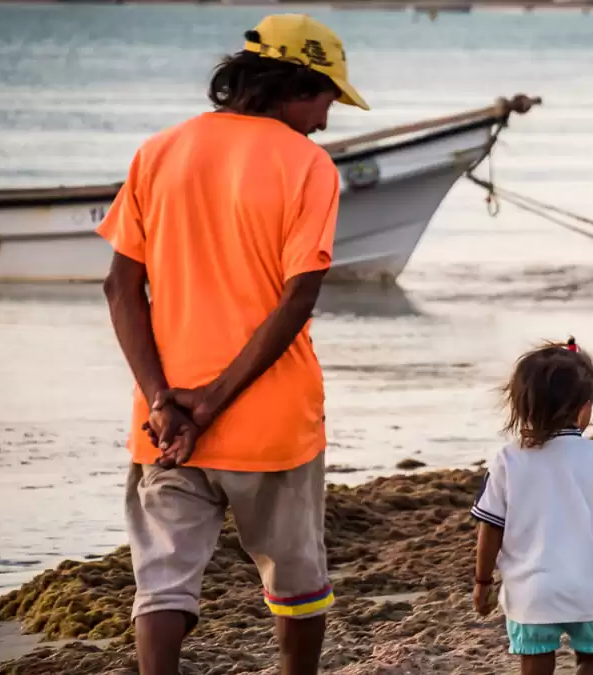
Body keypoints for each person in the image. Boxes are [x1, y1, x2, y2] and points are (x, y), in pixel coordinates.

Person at [99, 13, 368, 675]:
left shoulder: (157, 151)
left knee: (162, 580)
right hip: (271, 421)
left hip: (166, 423)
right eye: (327, 99)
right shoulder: (308, 166)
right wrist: (214, 401)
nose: (327, 120)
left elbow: (120, 288)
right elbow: (297, 297)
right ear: (295, 84)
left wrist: (165, 399)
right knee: (298, 580)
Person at [472, 338, 593, 675]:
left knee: (536, 660)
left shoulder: (507, 459)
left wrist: (482, 581)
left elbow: (490, 528)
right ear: (583, 408)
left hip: (531, 593)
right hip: (587, 589)